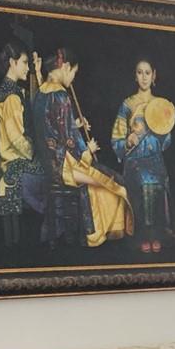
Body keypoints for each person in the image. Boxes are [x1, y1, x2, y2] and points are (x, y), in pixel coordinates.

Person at [31, 51, 131, 250]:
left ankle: (97, 232)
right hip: (64, 165)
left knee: (105, 183)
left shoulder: (42, 91)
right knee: (118, 186)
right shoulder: (61, 95)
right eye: (73, 73)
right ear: (65, 67)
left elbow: (53, 127)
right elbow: (70, 141)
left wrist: (74, 124)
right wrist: (88, 149)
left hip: (49, 161)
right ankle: (96, 235)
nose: (73, 78)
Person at [111, 59, 175, 254]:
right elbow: (116, 139)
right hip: (135, 161)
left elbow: (165, 143)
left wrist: (168, 121)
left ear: (154, 75)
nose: (144, 77)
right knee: (144, 183)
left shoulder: (160, 104)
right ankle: (144, 234)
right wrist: (128, 141)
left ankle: (156, 234)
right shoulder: (128, 104)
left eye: (147, 73)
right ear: (135, 76)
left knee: (157, 181)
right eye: (139, 72)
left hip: (155, 160)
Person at [0, 43, 40, 250]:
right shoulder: (11, 95)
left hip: (13, 159)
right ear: (12, 63)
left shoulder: (11, 90)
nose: (27, 67)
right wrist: (35, 152)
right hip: (15, 161)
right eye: (24, 63)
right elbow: (15, 138)